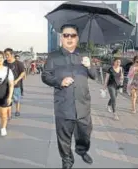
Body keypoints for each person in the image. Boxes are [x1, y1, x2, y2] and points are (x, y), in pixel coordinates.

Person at [41, 24, 96, 169]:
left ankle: (82, 150)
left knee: (84, 133)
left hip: (83, 104)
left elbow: (94, 75)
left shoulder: (85, 54)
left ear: (77, 38)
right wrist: (59, 81)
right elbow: (45, 76)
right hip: (63, 104)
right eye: (66, 35)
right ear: (61, 38)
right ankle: (67, 160)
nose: (69, 38)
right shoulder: (53, 56)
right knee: (64, 136)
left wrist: (89, 66)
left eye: (73, 35)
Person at [4, 49, 25, 117]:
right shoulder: (4, 63)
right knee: (7, 98)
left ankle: (17, 110)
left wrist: (17, 80)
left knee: (16, 98)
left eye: (7, 55)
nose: (6, 56)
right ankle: (8, 113)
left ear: (12, 55)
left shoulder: (18, 63)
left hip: (16, 84)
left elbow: (23, 72)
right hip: (6, 84)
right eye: (5, 55)